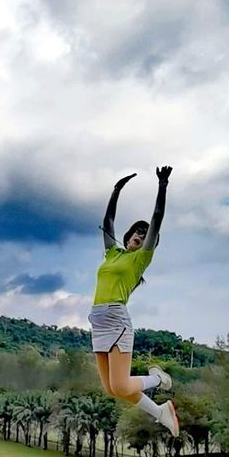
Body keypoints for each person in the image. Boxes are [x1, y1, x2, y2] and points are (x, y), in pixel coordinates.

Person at [89, 167, 179, 436]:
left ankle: (157, 379)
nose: (140, 234)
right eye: (136, 231)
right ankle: (161, 411)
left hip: (117, 318)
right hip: (97, 320)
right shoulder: (112, 254)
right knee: (112, 389)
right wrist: (116, 191)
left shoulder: (140, 260)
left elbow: (157, 217)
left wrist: (162, 184)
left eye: (145, 233)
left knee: (123, 385)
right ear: (128, 236)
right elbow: (108, 222)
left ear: (147, 243)